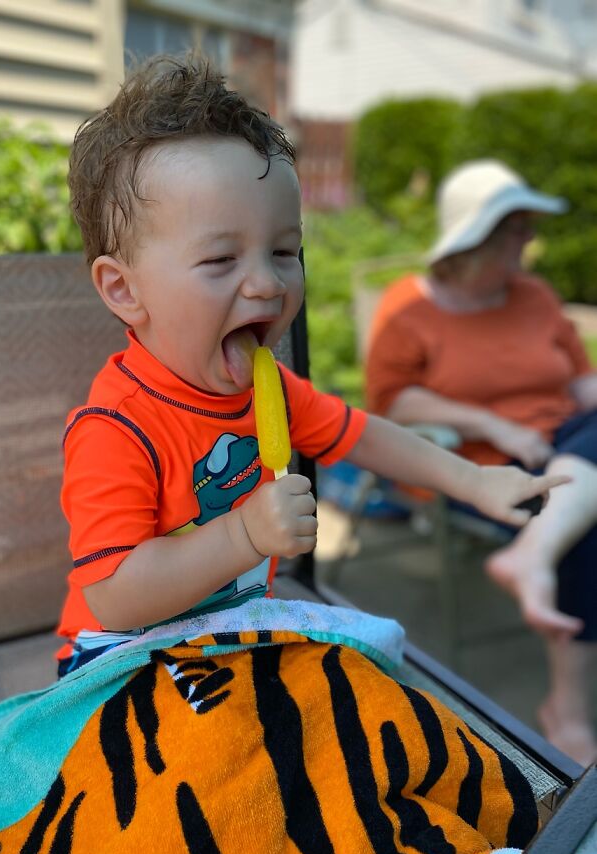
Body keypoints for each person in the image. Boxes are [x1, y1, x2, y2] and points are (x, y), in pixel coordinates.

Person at [59, 58, 562, 685]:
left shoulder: (269, 388)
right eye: (220, 258)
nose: (268, 283)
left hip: (234, 637)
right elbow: (113, 595)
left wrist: (476, 482)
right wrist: (246, 533)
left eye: (283, 251)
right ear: (124, 289)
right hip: (123, 663)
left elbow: (365, 435)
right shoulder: (115, 428)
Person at [366, 159, 597, 766]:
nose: (528, 238)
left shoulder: (537, 297)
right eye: (516, 227)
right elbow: (393, 403)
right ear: (476, 239)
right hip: (492, 469)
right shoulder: (409, 308)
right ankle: (568, 712)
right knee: (590, 528)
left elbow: (581, 384)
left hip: (571, 437)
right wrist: (492, 423)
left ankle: (533, 554)